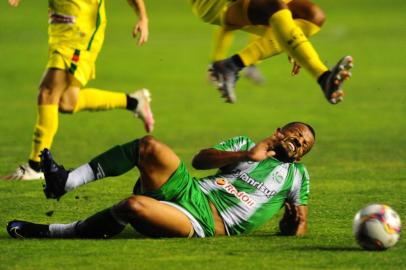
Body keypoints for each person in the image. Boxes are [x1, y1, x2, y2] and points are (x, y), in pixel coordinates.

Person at [7, 122, 315, 239]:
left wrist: (288, 226)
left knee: (133, 206)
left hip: (205, 220)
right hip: (190, 188)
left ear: (301, 155)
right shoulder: (247, 144)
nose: (298, 142)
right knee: (149, 146)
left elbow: (299, 228)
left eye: (304, 144)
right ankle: (66, 181)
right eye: (296, 134)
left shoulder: (297, 176)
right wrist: (246, 155)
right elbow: (199, 161)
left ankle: (54, 232)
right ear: (280, 131)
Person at [3, 0, 154, 180]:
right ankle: (134, 101)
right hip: (60, 28)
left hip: (80, 33)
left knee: (47, 93)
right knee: (67, 102)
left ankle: (36, 166)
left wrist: (143, 18)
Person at [190, 0, 353, 103]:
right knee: (273, 7)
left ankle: (230, 65)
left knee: (311, 15)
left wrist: (293, 40)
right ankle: (323, 77)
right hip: (215, 3)